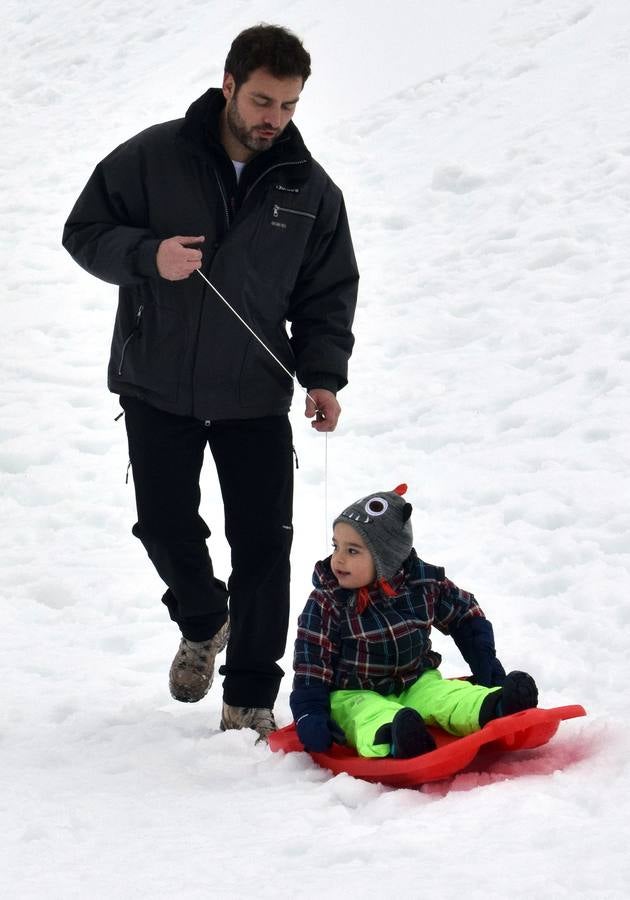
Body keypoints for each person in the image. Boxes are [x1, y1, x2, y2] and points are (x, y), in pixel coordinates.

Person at [62, 25, 359, 742]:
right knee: (163, 524)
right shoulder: (153, 157)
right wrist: (145, 255)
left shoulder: (308, 188)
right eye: (262, 100)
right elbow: (84, 230)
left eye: (288, 106)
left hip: (254, 392)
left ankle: (250, 697)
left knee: (264, 546)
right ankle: (204, 621)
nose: (274, 119)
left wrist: (322, 376)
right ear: (228, 85)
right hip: (156, 381)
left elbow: (327, 292)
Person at [290, 485, 538, 758]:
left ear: (387, 558)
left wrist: (485, 664)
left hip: (415, 681)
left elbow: (465, 615)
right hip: (353, 693)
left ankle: (496, 706)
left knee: (444, 696)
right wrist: (309, 712)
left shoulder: (421, 583)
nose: (338, 559)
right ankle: (396, 735)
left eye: (353, 551)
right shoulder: (327, 602)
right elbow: (311, 663)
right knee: (367, 714)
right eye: (336, 546)